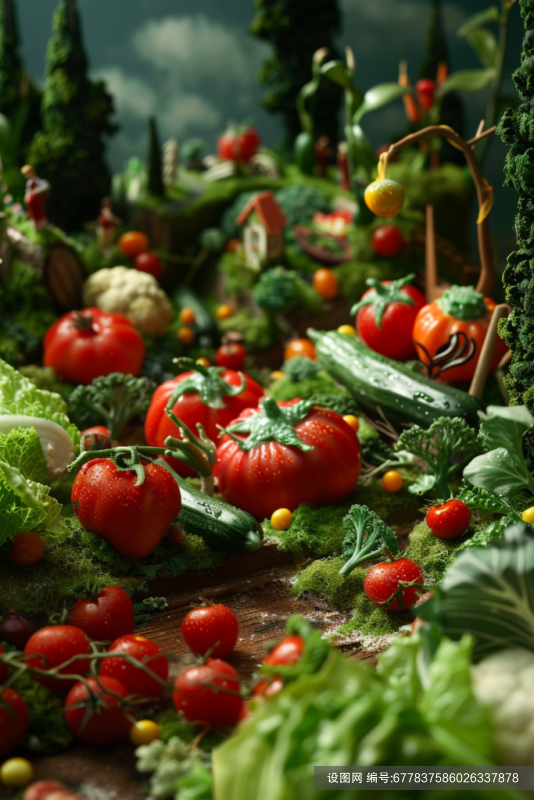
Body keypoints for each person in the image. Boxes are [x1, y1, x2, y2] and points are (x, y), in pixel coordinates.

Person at [21, 165, 50, 230]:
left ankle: (43, 230)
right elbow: (28, 193)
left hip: (37, 202)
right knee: (33, 217)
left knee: (39, 216)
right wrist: (27, 197)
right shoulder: (28, 182)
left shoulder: (36, 180)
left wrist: (34, 192)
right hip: (32, 204)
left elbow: (45, 186)